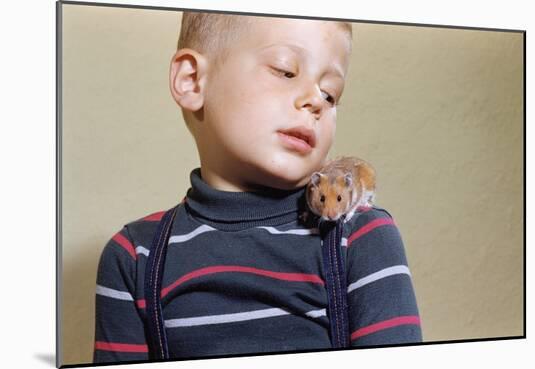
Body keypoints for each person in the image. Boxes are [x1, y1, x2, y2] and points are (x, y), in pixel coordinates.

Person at [93, 11, 422, 364]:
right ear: (192, 80)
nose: (315, 101)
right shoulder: (133, 258)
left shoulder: (362, 237)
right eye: (285, 71)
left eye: (330, 95)